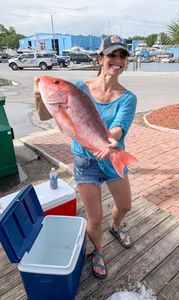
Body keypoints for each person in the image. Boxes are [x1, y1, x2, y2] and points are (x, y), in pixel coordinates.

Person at [35, 35, 137, 280]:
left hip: (112, 157)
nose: (118, 60)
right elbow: (44, 117)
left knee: (125, 205)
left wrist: (110, 141)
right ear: (101, 58)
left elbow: (119, 127)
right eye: (112, 54)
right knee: (95, 217)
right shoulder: (78, 88)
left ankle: (116, 226)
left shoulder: (128, 97)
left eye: (122, 55)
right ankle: (98, 251)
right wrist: (39, 97)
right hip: (85, 162)